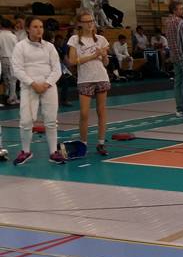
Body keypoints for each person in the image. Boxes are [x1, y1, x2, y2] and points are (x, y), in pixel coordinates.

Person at [11, 17, 64, 165]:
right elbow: (17, 69)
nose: (39, 29)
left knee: (51, 121)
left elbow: (57, 69)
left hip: (49, 87)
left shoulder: (49, 47)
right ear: (28, 29)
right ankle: (26, 151)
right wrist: (33, 84)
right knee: (26, 120)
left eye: (41, 26)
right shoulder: (20, 46)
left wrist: (46, 84)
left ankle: (53, 152)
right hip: (29, 87)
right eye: (35, 27)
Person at [67, 11, 112, 156]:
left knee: (101, 111)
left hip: (101, 77)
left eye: (91, 21)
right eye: (86, 21)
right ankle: (83, 144)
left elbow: (106, 63)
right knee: (84, 113)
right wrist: (93, 55)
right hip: (85, 79)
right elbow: (72, 61)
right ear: (80, 23)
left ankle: (101, 142)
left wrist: (104, 56)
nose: (89, 24)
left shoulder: (101, 39)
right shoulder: (75, 39)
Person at [164, 1, 183, 117]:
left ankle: (179, 108)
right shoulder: (178, 21)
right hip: (181, 56)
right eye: (180, 9)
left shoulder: (167, 21)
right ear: (174, 10)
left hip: (174, 56)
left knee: (178, 83)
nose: (182, 11)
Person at [0, 19, 19, 105]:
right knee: (13, 79)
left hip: (3, 58)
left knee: (5, 77)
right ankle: (12, 99)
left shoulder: (0, 35)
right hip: (12, 58)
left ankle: (7, 94)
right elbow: (17, 48)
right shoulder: (12, 36)